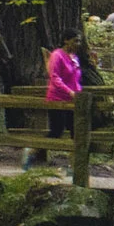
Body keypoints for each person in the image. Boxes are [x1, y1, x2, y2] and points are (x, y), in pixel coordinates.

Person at [33, 35, 86, 172]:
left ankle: (75, 165)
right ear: (66, 40)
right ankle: (33, 151)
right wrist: (69, 92)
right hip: (57, 98)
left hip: (73, 100)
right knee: (57, 131)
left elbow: (76, 79)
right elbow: (55, 77)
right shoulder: (57, 55)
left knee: (76, 130)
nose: (78, 44)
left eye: (79, 41)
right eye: (75, 40)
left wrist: (78, 93)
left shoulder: (74, 57)